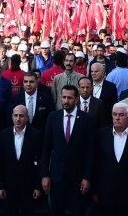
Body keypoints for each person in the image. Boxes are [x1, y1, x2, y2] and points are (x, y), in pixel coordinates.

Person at [41, 84, 95, 216]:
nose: (66, 100)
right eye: (63, 97)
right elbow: (46, 148)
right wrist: (44, 175)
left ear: (76, 99)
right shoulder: (53, 117)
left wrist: (87, 177)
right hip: (57, 177)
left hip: (78, 178)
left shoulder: (87, 119)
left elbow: (90, 151)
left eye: (69, 98)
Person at [91, 105, 128, 215]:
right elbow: (95, 164)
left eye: (121, 115)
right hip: (105, 195)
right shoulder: (101, 135)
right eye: (115, 114)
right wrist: (94, 191)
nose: (117, 118)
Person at [0, 105, 43, 216]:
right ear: (11, 117)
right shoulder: (4, 135)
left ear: (27, 118)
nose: (18, 119)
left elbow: (41, 162)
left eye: (21, 116)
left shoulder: (36, 135)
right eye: (15, 115)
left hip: (29, 188)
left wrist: (38, 187)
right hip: (8, 188)